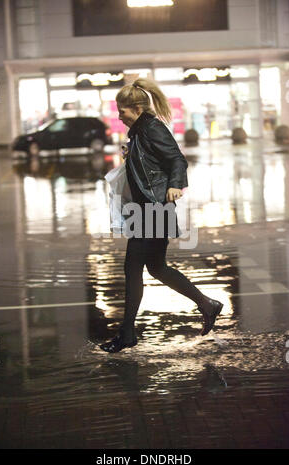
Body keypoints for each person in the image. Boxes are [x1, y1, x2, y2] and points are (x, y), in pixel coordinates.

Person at [99, 78, 223, 353]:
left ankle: (127, 334)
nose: (120, 116)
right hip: (147, 207)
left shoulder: (152, 128)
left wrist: (175, 185)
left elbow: (177, 159)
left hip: (155, 207)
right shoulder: (139, 132)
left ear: (137, 108)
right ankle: (206, 304)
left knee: (133, 268)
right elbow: (149, 164)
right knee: (156, 267)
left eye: (123, 111)